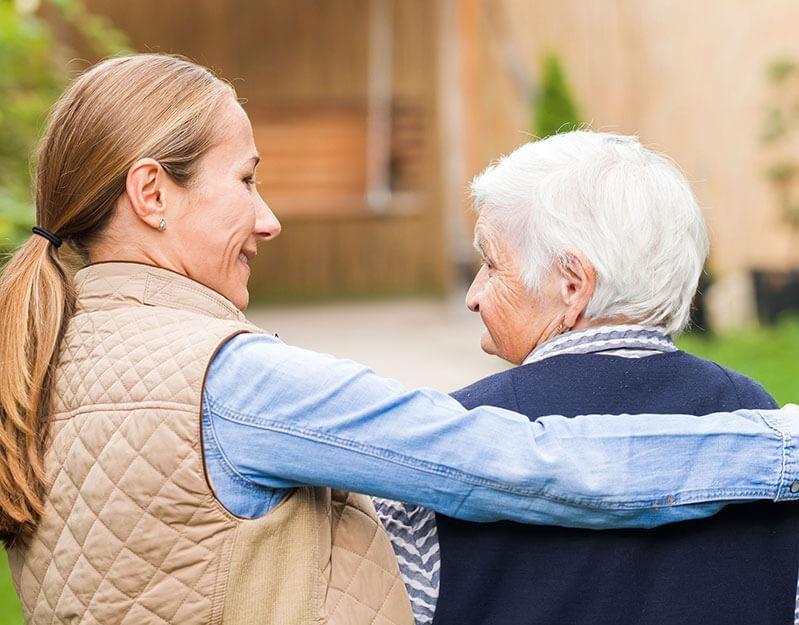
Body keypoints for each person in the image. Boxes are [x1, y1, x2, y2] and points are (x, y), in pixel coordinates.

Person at [0, 54, 796, 625]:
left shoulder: (46, 361)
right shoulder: (229, 382)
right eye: (245, 180)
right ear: (150, 192)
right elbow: (528, 465)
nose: (267, 217)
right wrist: (781, 450)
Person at [373, 132, 799, 625]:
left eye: (490, 264)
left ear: (572, 284)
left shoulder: (450, 438)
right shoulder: (764, 425)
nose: (473, 295)